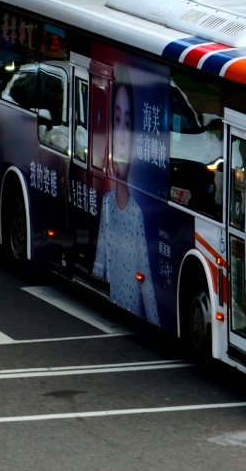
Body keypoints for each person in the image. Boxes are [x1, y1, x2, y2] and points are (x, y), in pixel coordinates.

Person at [92, 69, 159, 324]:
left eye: (128, 124)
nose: (121, 136)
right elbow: (99, 268)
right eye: (116, 121)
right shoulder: (107, 205)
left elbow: (147, 286)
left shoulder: (136, 215)